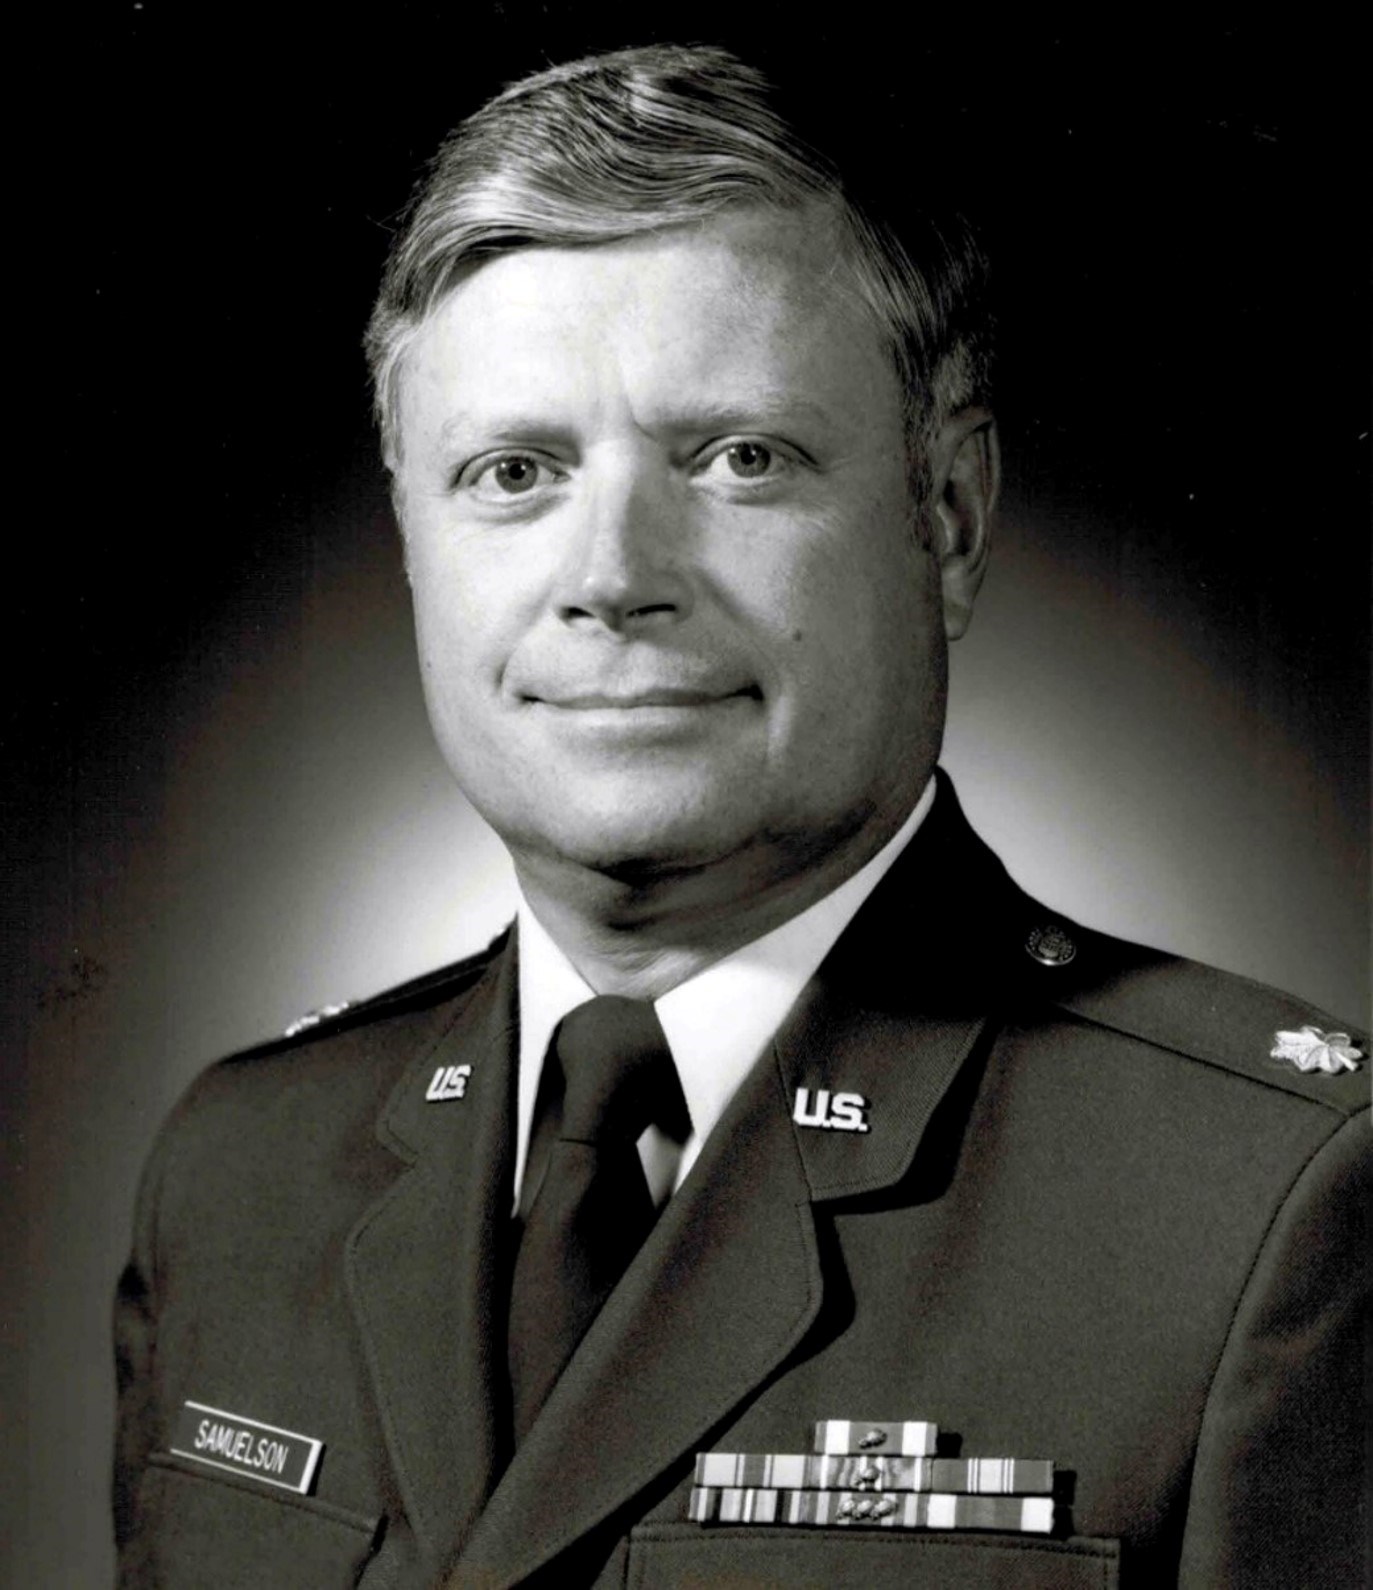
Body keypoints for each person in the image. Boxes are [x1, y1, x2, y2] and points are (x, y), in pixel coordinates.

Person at [112, 43, 1367, 1589]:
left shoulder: (1266, 1204)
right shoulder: (241, 1168)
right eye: (512, 472)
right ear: (413, 536)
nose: (610, 576)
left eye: (739, 458)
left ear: (947, 515)